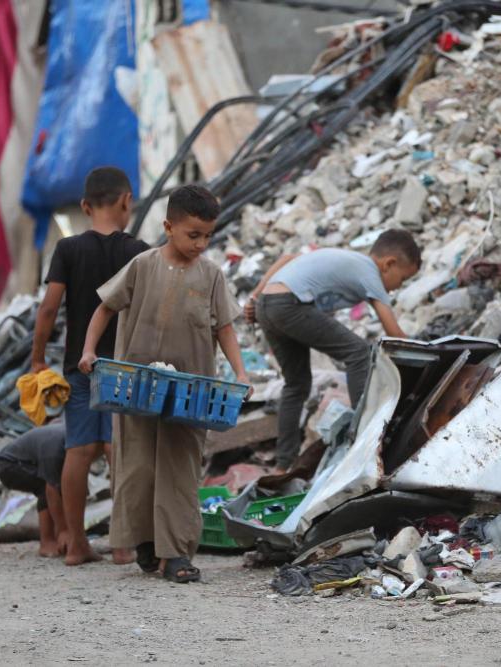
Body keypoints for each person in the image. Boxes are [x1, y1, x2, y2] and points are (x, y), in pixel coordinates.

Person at [79, 184, 249, 583]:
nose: (201, 243)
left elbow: (224, 328)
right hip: (135, 386)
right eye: (194, 234)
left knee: (179, 468)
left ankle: (175, 555)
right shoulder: (142, 265)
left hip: (190, 392)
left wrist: (240, 373)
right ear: (168, 226)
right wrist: (89, 351)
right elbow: (104, 307)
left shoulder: (210, 275)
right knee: (137, 466)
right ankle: (143, 543)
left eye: (208, 235)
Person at [30, 166, 149, 566]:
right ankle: (121, 545)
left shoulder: (67, 250)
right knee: (119, 451)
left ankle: (77, 545)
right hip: (124, 367)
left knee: (78, 451)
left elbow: (48, 309)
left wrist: (37, 358)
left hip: (79, 365)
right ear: (126, 201)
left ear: (84, 206)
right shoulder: (139, 252)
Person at [245, 230, 420, 472]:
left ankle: (282, 466)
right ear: (388, 264)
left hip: (267, 306)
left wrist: (255, 297)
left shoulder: (346, 260)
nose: (394, 290)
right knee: (359, 353)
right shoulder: (370, 271)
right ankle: (364, 438)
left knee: (296, 384)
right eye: (401, 280)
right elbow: (394, 334)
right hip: (289, 305)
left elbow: (286, 259)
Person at [0, 422, 68, 558]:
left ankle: (62, 539)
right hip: (9, 463)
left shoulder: (71, 437)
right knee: (46, 486)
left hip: (30, 459)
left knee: (61, 485)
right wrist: (64, 529)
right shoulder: (56, 447)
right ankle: (47, 542)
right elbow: (51, 487)